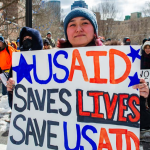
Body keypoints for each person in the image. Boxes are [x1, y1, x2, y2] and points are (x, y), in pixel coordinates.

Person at [6, 27, 43, 108]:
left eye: (30, 38)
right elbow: (13, 104)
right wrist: (11, 89)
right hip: (25, 111)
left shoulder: (46, 60)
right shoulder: (17, 61)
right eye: (24, 38)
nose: (26, 40)